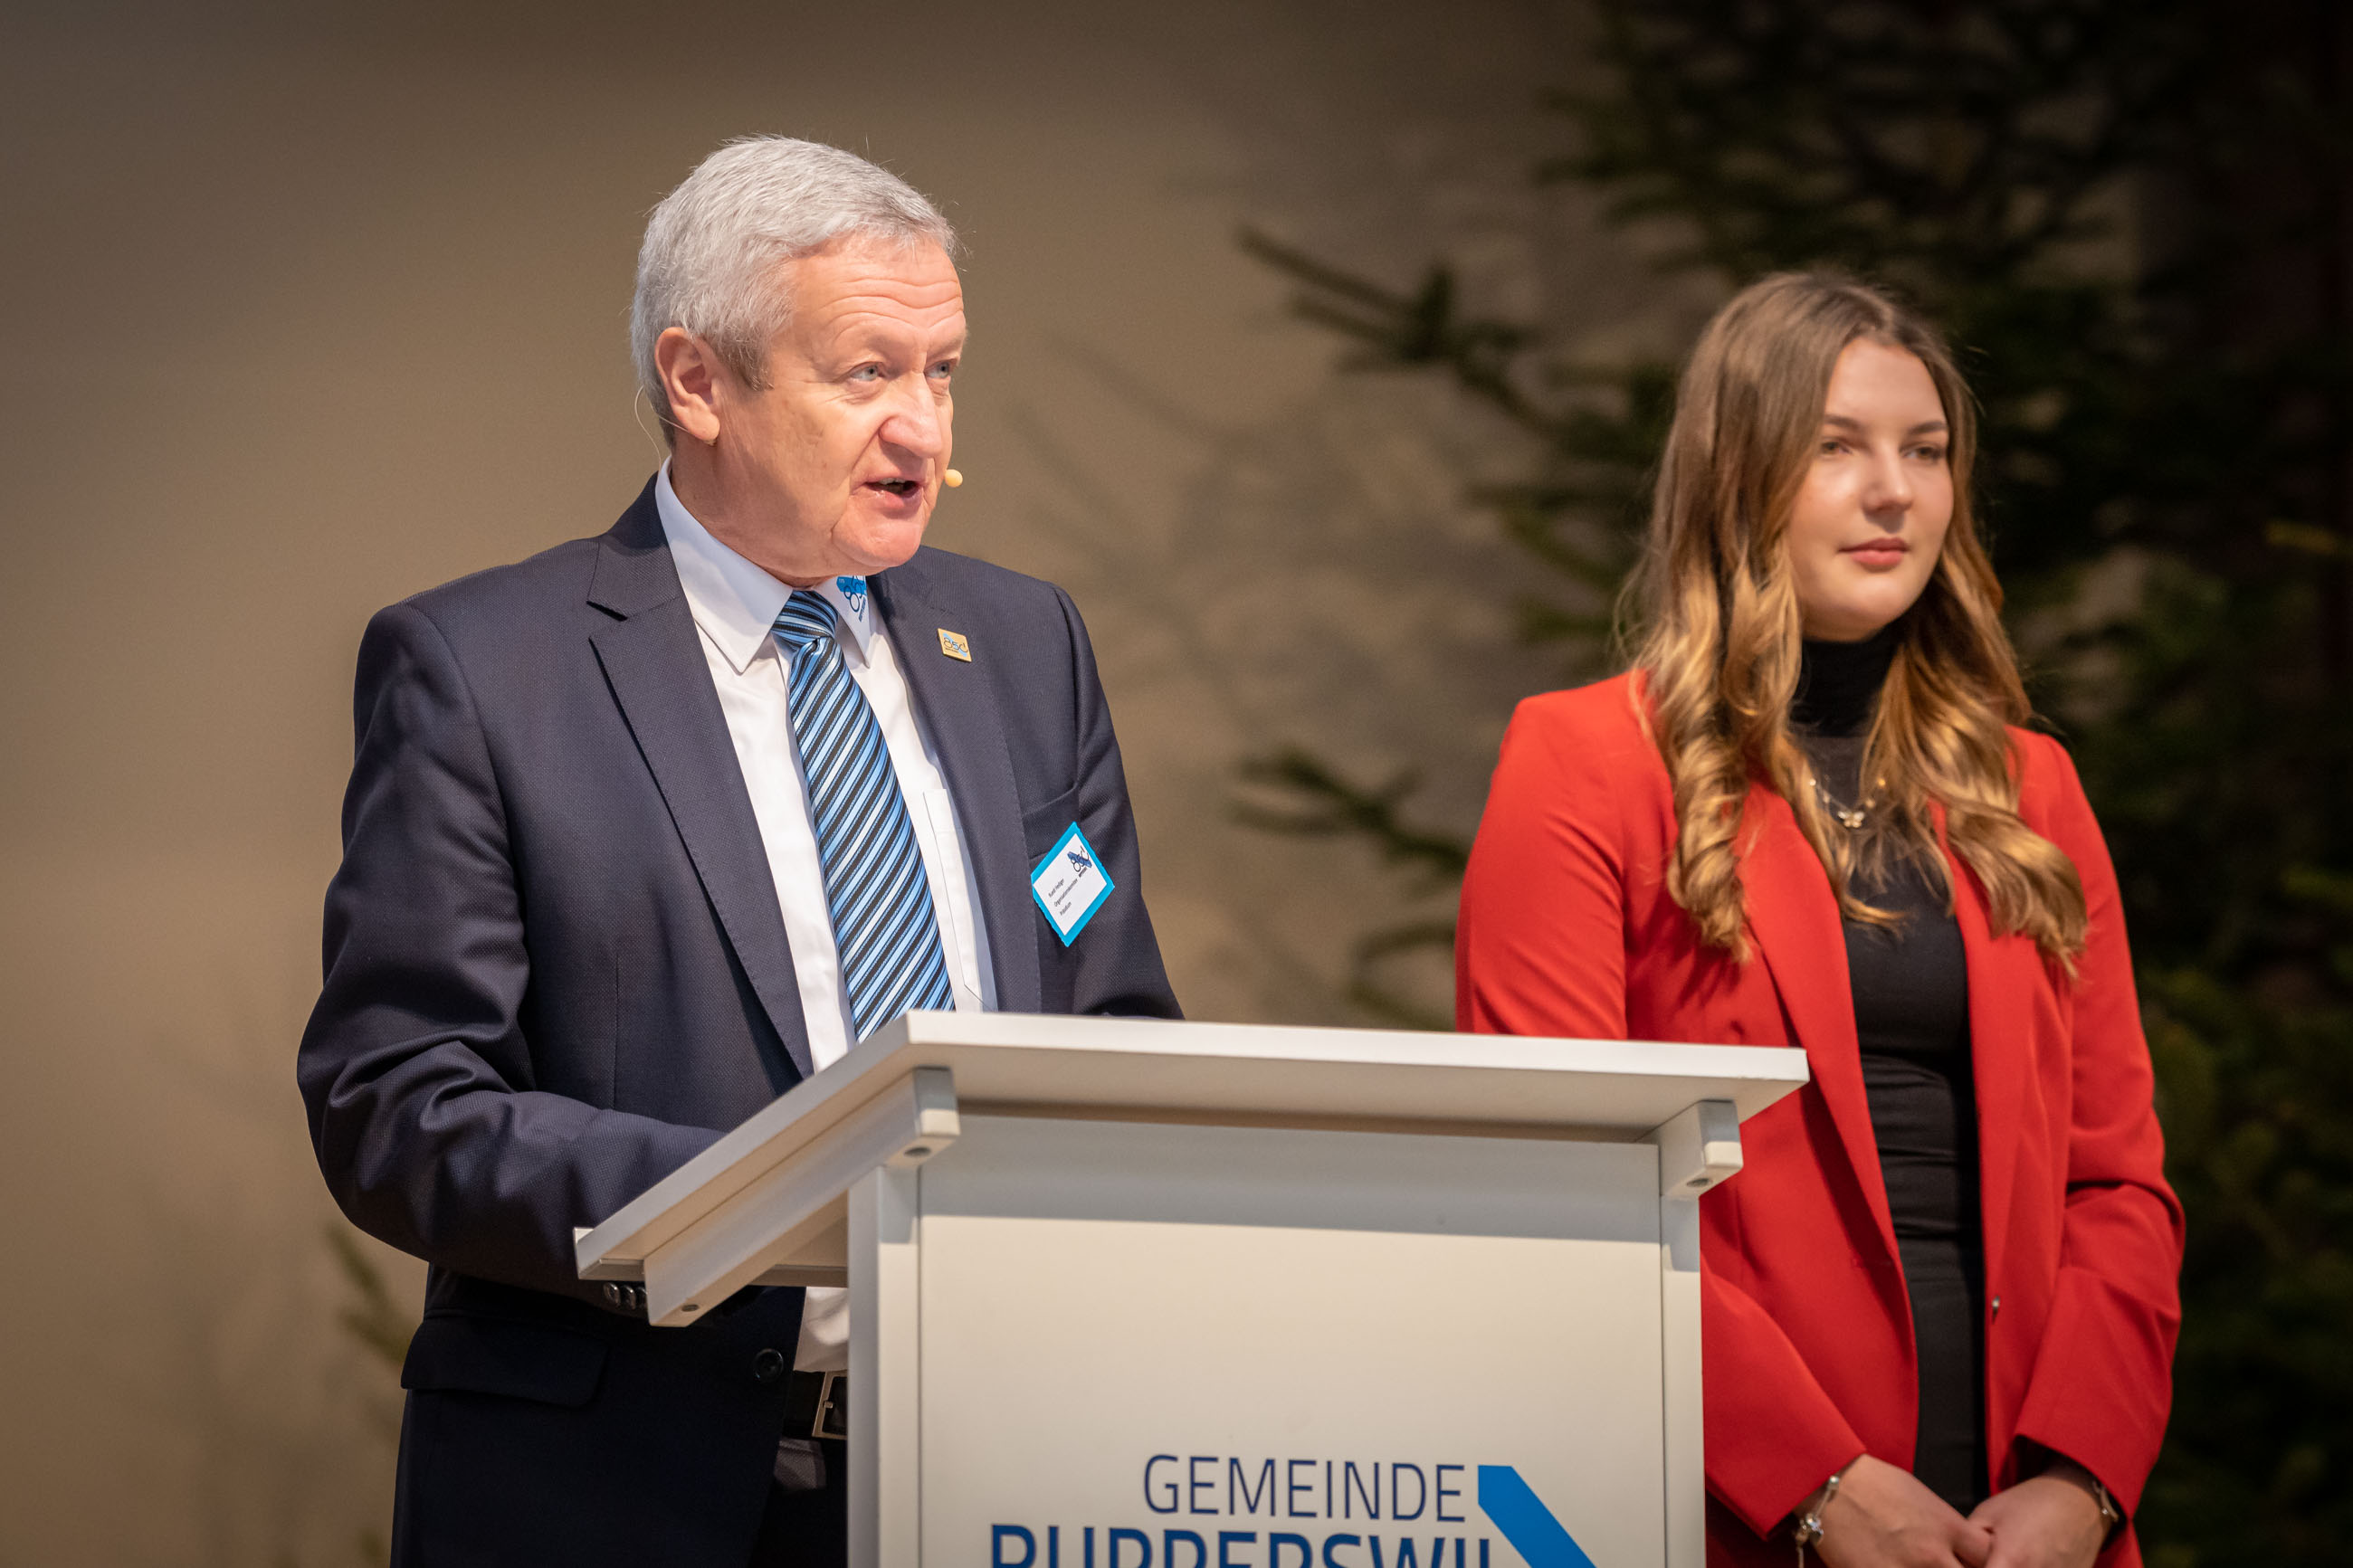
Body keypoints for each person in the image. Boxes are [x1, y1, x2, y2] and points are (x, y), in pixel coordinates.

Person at [297, 137, 1180, 1568]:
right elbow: (397, 1104)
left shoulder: (1028, 643)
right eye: (867, 373)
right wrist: (766, 1199)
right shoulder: (485, 669)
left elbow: (1116, 1026)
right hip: (627, 1489)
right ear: (700, 382)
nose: (923, 430)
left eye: (943, 372)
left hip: (994, 1469)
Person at [1455, 273, 2181, 1568]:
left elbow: (2116, 1180)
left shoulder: (2031, 790)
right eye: (1838, 447)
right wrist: (1818, 1484)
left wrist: (2083, 1477)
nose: (1894, 490)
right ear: (1739, 476)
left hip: (2027, 1512)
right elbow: (1558, 1178)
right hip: (1738, 1506)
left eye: (1927, 451)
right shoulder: (1586, 763)